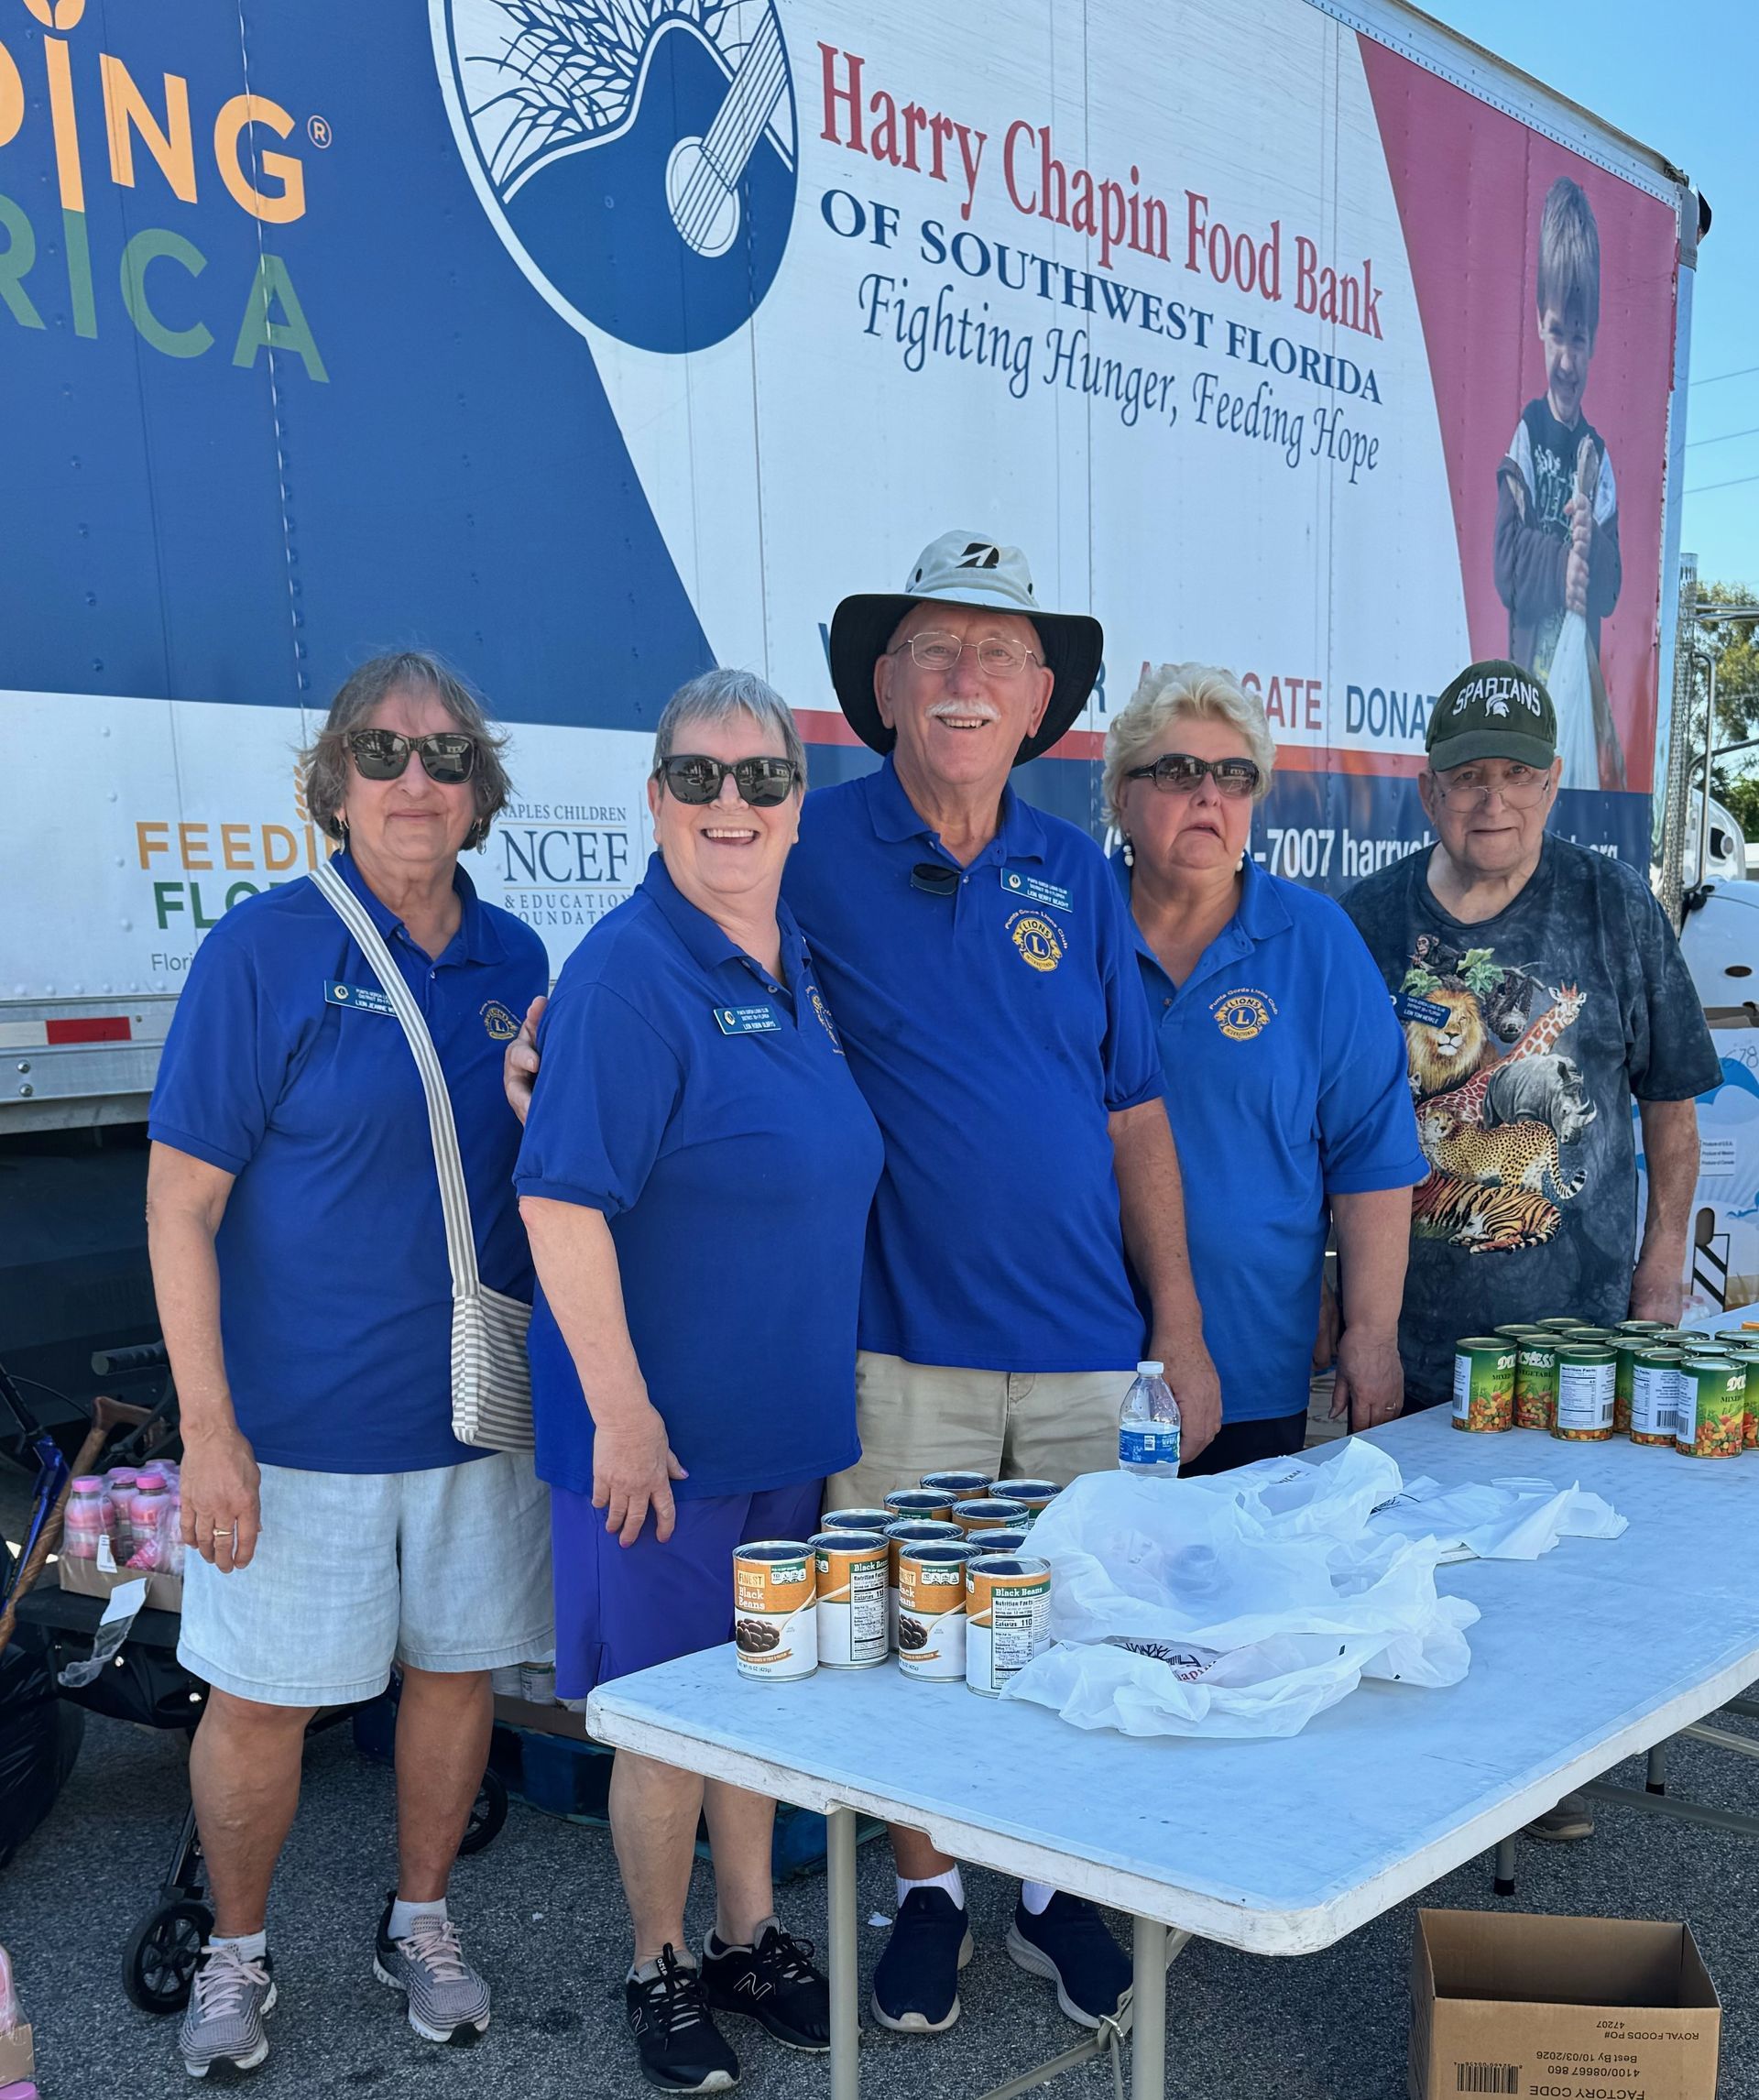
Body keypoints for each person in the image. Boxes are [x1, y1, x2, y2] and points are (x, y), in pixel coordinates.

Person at [509, 531, 1221, 2040]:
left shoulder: (1076, 878)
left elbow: (1134, 1115)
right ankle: (929, 1895)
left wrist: (1181, 1327)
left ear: (1042, 701)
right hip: (894, 1361)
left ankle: (1042, 1891)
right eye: (936, 653)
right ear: (886, 688)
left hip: (1083, 1351)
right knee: (906, 1653)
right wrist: (549, 1041)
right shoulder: (808, 847)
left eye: (1002, 657)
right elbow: (655, 957)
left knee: (1054, 1637)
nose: (968, 680)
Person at [147, 651, 553, 2080]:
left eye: (446, 756)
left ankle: (420, 1920)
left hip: (471, 1415)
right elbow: (179, 1204)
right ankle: (238, 1954)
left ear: (480, 790)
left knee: (453, 1677)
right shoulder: (263, 951)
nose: (415, 780)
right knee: (263, 1702)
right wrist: (210, 1430)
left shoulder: (519, 961)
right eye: (381, 755)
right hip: (294, 1429)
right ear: (331, 785)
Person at [514, 671, 884, 2096]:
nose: (732, 804)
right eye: (701, 777)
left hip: (782, 1428)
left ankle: (746, 1933)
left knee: (762, 1700)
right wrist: (622, 1412)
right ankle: (658, 1960)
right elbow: (561, 1206)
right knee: (671, 1717)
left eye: (762, 779)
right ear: (657, 798)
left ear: (797, 802)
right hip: (657, 1445)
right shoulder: (627, 973)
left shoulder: (793, 959)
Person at [1343, 655, 1718, 1840]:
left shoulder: (1614, 908)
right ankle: (1426, 1784)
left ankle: (1536, 1774)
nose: (1489, 800)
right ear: (1426, 789)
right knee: (1407, 1559)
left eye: (1516, 775)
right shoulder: (1363, 923)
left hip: (1575, 1323)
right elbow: (1334, 1133)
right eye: (1465, 777)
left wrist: (1662, 1266)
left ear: (1554, 783)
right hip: (1409, 1315)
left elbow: (1670, 1106)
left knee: (1557, 1567)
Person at [1105, 665, 1426, 1471]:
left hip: (1252, 1368)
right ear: (1121, 796)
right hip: (1076, 1361)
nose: (1209, 795)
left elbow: (1373, 1160)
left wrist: (1371, 1335)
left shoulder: (1316, 943)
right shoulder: (1070, 933)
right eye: (1178, 771)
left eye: (1235, 776)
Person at [1495, 175, 1623, 791]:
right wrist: (1560, 567)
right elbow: (1505, 561)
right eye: (1556, 335)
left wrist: (1590, 556)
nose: (1567, 360)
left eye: (1579, 338)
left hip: (1574, 709)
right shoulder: (1524, 434)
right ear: (1538, 329)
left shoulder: (1598, 458)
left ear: (1594, 341)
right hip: (1521, 704)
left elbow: (1613, 585)